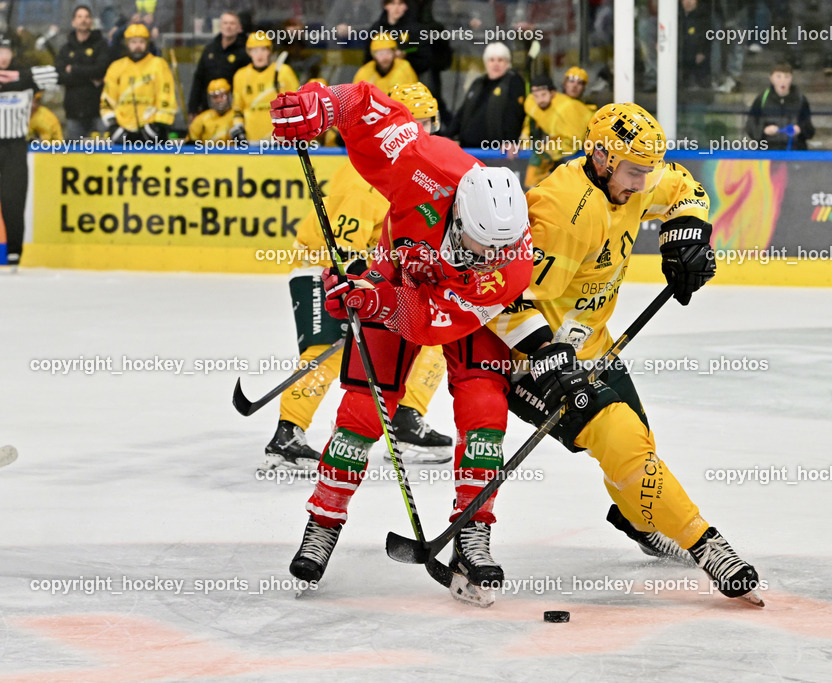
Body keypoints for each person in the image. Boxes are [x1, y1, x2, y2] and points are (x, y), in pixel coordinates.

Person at [487, 102, 763, 606]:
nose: (641, 183)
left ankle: (639, 520)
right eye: (634, 172)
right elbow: (497, 293)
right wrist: (543, 352)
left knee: (639, 448)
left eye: (644, 171)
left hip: (594, 343)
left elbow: (682, 186)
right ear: (601, 157)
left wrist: (686, 234)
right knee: (623, 439)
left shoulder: (632, 175)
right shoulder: (559, 211)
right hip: (530, 361)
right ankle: (709, 547)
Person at [270, 78, 533, 605]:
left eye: (497, 251)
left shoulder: (507, 268)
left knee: (484, 403)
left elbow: (428, 323)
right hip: (397, 276)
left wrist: (374, 303)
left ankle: (474, 529)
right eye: (479, 245)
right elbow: (367, 106)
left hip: (448, 308)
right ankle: (324, 518)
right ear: (459, 212)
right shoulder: (424, 162)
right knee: (365, 410)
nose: (487, 258)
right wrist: (324, 104)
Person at [260, 82, 455, 473]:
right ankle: (287, 434)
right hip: (325, 269)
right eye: (419, 123)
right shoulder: (367, 177)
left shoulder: (411, 170)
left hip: (367, 278)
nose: (426, 132)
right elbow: (344, 248)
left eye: (429, 122)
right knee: (325, 354)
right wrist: (356, 291)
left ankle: (405, 418)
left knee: (432, 336)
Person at [0, 34, 57, 267]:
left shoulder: (25, 76)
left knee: (13, 200)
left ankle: (14, 251)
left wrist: (20, 77)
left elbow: (57, 73)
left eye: (6, 51)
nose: (2, 56)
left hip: (14, 145)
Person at [100, 23, 177, 143]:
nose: (137, 46)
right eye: (133, 42)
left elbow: (166, 97)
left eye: (141, 42)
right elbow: (107, 99)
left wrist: (158, 125)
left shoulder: (158, 65)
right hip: (123, 131)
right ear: (126, 44)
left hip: (153, 132)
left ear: (147, 43)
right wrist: (113, 125)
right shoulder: (116, 67)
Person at [447, 42, 525, 150]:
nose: (495, 64)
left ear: (507, 63)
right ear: (486, 63)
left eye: (500, 60)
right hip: (468, 149)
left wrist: (510, 141)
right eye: (492, 60)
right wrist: (448, 136)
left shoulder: (513, 82)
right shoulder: (478, 83)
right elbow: (463, 112)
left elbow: (514, 113)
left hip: (495, 152)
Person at [520, 73, 593, 187]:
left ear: (552, 93)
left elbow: (573, 141)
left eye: (543, 94)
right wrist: (523, 145)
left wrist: (548, 150)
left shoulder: (568, 109)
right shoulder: (533, 105)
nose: (540, 99)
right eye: (536, 96)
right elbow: (530, 127)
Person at [55, 5, 111, 139]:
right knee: (74, 157)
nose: (83, 20)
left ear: (91, 21)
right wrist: (90, 76)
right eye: (79, 17)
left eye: (87, 17)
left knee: (105, 154)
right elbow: (60, 77)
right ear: (73, 22)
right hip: (74, 112)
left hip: (99, 111)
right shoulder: (65, 49)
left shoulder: (100, 45)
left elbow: (101, 70)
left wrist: (74, 69)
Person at [230, 32, 299, 142]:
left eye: (263, 49)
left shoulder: (284, 72)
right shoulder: (240, 75)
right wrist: (239, 128)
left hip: (280, 141)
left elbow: (297, 105)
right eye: (255, 50)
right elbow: (237, 110)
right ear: (249, 52)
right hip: (251, 139)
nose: (259, 54)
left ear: (269, 51)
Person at [186, 11, 249, 119]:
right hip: (208, 108)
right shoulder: (210, 49)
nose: (228, 27)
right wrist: (193, 106)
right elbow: (199, 78)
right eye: (225, 23)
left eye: (232, 23)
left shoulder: (245, 52)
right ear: (220, 26)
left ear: (239, 27)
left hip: (233, 110)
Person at [745, 62, 815, 150]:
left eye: (787, 77)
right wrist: (764, 130)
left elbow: (809, 129)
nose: (783, 81)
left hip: (795, 150)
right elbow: (750, 126)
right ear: (771, 78)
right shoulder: (762, 99)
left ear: (791, 78)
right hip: (768, 150)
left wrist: (800, 129)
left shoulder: (800, 99)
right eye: (778, 76)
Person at [351, 34, 418, 92]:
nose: (385, 57)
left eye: (388, 52)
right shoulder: (364, 72)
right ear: (373, 55)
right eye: (380, 53)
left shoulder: (405, 68)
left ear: (394, 53)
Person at [186, 78, 234, 142]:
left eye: (222, 96)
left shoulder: (237, 116)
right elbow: (190, 144)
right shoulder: (202, 119)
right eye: (215, 97)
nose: (219, 100)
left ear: (229, 96)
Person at [679, 0, 711, 90]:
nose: (688, 2)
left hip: (697, 60)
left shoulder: (702, 17)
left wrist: (702, 51)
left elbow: (706, 37)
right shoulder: (676, 17)